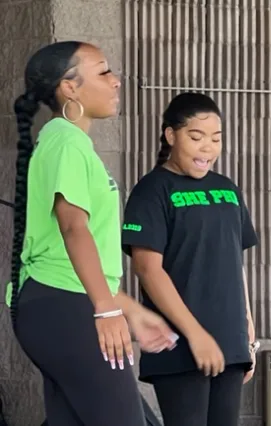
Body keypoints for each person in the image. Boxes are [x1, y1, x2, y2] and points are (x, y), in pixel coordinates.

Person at [7, 41, 178, 425]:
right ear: (69, 87)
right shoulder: (65, 140)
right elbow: (72, 227)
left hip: (56, 305)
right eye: (103, 71)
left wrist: (129, 309)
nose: (116, 81)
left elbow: (81, 250)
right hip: (66, 305)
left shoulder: (68, 142)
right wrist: (107, 308)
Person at [121, 92, 259, 426]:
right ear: (171, 135)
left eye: (216, 138)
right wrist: (196, 335)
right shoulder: (152, 190)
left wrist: (249, 331)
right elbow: (147, 269)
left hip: (230, 343)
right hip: (181, 347)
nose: (207, 147)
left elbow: (235, 264)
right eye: (196, 137)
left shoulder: (228, 188)